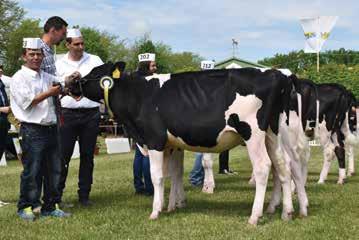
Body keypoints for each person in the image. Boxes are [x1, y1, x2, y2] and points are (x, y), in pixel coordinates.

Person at [10, 38, 70, 220]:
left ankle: (50, 206)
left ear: (43, 56)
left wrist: (70, 79)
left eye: (38, 54)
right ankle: (26, 206)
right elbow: (28, 102)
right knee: (32, 170)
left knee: (54, 170)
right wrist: (51, 92)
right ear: (24, 56)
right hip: (32, 130)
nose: (36, 57)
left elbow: (62, 83)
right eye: (32, 54)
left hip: (51, 128)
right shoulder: (18, 78)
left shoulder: (46, 76)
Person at [56, 28, 103, 206]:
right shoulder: (58, 64)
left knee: (87, 156)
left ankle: (84, 196)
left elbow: (102, 83)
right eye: (76, 44)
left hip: (90, 113)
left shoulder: (95, 60)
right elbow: (54, 86)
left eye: (82, 43)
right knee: (63, 156)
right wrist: (67, 80)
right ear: (67, 44)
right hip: (67, 114)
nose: (80, 47)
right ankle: (56, 196)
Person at [35, 16, 68, 211]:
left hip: (52, 110)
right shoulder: (40, 51)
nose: (63, 38)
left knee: (52, 160)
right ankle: (36, 202)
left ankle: (50, 201)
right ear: (53, 30)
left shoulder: (48, 51)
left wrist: (64, 83)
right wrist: (64, 85)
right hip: (41, 113)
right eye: (63, 33)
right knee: (41, 162)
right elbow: (44, 83)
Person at [132, 53, 156, 196]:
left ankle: (138, 186)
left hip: (134, 119)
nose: (155, 68)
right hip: (147, 119)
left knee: (139, 154)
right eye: (153, 65)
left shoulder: (132, 79)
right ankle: (149, 188)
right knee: (148, 154)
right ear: (146, 65)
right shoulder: (150, 80)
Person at [0, 65, 10, 163]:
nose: (1, 70)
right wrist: (2, 109)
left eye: (1, 67)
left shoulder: (1, 84)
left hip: (3, 121)